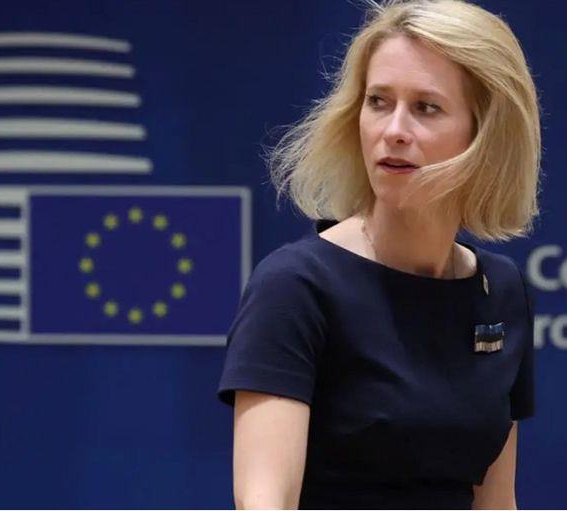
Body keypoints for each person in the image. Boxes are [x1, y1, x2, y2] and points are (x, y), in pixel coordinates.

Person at [217, 0, 541, 508]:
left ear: (485, 135)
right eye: (378, 102)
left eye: (426, 107)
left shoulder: (501, 291)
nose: (393, 130)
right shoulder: (296, 285)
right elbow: (264, 501)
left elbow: (496, 501)